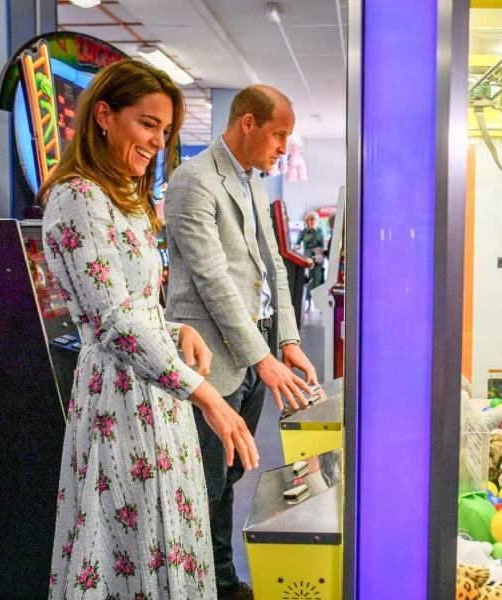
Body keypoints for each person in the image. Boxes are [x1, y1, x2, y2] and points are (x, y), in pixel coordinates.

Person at [39, 60, 258, 598]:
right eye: (147, 124)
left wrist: (175, 325)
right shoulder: (78, 198)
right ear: (104, 116)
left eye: (165, 131)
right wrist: (205, 394)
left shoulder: (126, 199)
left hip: (158, 393)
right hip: (119, 401)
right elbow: (111, 320)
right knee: (125, 548)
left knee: (168, 539)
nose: (157, 141)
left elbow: (134, 304)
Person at [164, 84, 322, 600]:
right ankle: (200, 587)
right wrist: (262, 355)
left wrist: (289, 341)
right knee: (202, 488)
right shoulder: (193, 181)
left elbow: (271, 266)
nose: (282, 148)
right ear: (247, 123)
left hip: (248, 364)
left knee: (228, 480)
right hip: (208, 362)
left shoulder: (252, 183)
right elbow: (212, 280)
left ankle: (221, 581)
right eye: (278, 135)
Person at [295, 211, 326, 311]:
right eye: (310, 219)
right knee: (307, 281)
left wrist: (321, 255)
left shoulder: (320, 231)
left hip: (318, 258)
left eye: (314, 219)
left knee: (318, 280)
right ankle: (307, 304)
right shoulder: (303, 232)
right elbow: (297, 244)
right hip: (307, 259)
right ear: (307, 221)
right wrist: (297, 248)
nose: (312, 221)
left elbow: (323, 245)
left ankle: (319, 304)